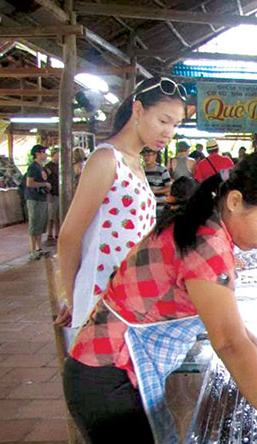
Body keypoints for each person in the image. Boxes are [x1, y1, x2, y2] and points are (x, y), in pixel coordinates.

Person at [65, 151, 257, 444]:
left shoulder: (203, 223)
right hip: (107, 374)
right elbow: (228, 342)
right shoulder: (207, 244)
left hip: (108, 368)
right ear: (234, 201)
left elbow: (221, 318)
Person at [57, 77, 187, 332]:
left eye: (175, 125)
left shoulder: (135, 162)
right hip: (101, 301)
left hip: (131, 298)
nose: (169, 133)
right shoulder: (106, 160)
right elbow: (69, 237)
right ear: (138, 110)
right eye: (163, 121)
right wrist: (74, 300)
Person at [24, 144, 51, 260]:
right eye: (43, 152)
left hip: (42, 198)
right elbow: (29, 183)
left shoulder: (41, 167)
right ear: (37, 154)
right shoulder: (33, 167)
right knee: (34, 223)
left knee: (40, 224)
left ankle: (38, 248)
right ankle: (32, 250)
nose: (45, 155)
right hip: (34, 198)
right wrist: (44, 184)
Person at [142, 147, 172, 216]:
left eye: (149, 155)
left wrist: (155, 191)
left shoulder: (162, 170)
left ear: (155, 156)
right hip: (145, 206)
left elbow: (169, 187)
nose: (146, 157)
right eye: (144, 155)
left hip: (159, 206)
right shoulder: (141, 170)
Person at [44, 147, 60, 246]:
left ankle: (57, 232)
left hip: (58, 192)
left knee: (58, 215)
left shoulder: (61, 166)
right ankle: (49, 233)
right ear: (53, 155)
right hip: (52, 193)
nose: (58, 156)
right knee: (51, 215)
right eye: (57, 154)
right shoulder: (48, 167)